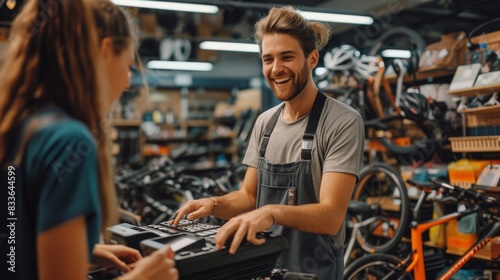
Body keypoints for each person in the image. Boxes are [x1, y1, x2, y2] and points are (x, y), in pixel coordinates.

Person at [171, 6, 364, 279]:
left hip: (313, 271)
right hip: (262, 268)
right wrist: (213, 204)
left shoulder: (341, 121)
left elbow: (331, 218)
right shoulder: (265, 122)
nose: (276, 69)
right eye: (268, 59)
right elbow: (248, 196)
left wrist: (271, 212)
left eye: (286, 57)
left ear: (311, 59)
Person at [0, 0, 178, 279]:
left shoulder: (17, 124)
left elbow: (12, 238)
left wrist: (83, 250)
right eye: (129, 65)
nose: (128, 81)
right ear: (106, 51)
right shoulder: (68, 142)